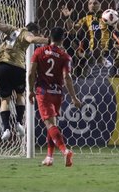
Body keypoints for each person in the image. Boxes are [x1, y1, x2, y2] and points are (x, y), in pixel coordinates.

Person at [0, 21, 48, 140]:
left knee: (5, 99)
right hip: (17, 67)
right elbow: (31, 39)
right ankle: (19, 123)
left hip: (2, 66)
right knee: (20, 96)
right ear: (34, 31)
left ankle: (6, 128)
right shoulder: (27, 34)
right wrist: (49, 41)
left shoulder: (12, 29)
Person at [28, 27, 82, 167]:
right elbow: (67, 77)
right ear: (62, 39)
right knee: (52, 125)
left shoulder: (39, 52)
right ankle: (49, 157)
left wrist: (30, 90)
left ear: (48, 37)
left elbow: (30, 73)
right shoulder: (65, 56)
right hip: (57, 94)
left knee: (50, 125)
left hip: (43, 92)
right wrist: (74, 97)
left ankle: (65, 151)